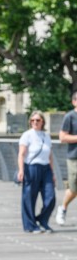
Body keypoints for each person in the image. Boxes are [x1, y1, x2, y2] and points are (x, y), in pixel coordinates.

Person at [17, 110, 56, 233]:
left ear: (42, 122)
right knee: (29, 197)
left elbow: (50, 155)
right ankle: (30, 225)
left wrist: (52, 172)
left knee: (50, 197)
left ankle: (42, 220)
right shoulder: (27, 135)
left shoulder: (46, 136)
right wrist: (21, 170)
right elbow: (21, 154)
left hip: (45, 169)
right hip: (31, 167)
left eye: (38, 120)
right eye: (32, 120)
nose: (35, 122)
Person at [56, 91, 77, 225]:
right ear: (74, 101)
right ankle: (62, 208)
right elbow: (62, 137)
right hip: (74, 157)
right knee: (74, 188)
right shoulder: (70, 117)